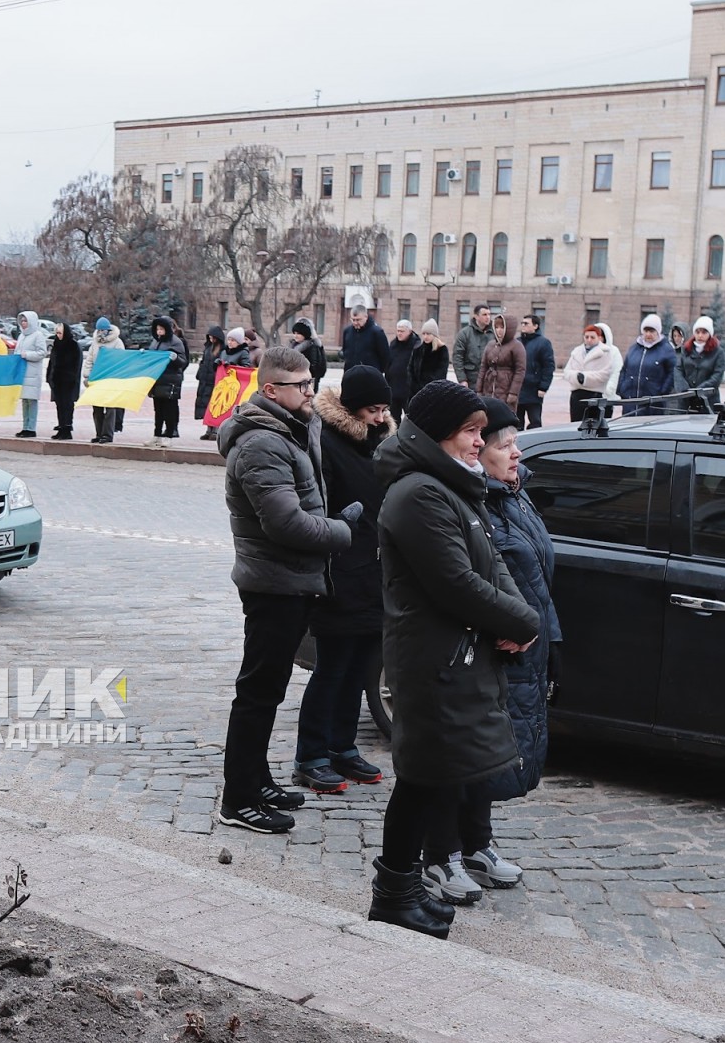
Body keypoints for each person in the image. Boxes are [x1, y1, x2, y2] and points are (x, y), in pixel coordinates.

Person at [371, 381, 541, 938]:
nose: (478, 442)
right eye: (471, 431)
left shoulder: (451, 486)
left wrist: (518, 619)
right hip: (432, 661)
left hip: (458, 656)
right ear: (440, 434)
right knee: (419, 778)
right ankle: (394, 894)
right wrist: (520, 622)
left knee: (436, 776)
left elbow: (492, 566)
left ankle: (404, 889)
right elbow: (456, 582)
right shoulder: (418, 493)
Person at [424, 398, 560, 906]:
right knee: (462, 754)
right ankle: (441, 853)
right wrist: (511, 626)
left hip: (521, 645)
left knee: (491, 751)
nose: (515, 452)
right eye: (504, 445)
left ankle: (475, 842)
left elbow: (537, 581)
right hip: (483, 648)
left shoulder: (513, 497)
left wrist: (549, 637)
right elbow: (468, 583)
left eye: (512, 442)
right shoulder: (465, 501)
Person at [217, 345, 357, 834]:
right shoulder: (262, 443)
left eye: (311, 381)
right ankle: (238, 800)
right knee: (257, 693)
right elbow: (286, 523)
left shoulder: (294, 427)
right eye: (301, 385)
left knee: (269, 689)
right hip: (273, 583)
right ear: (271, 390)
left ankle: (257, 780)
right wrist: (341, 531)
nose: (311, 391)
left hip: (292, 580)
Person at [293, 366, 391, 795]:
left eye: (385, 409)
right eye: (373, 409)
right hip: (338, 573)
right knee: (332, 668)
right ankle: (311, 755)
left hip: (375, 573)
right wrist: (340, 528)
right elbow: (315, 507)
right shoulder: (326, 442)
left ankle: (343, 747)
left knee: (359, 668)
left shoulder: (382, 445)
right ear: (352, 408)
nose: (380, 417)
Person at [616, 314, 677, 414]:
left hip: (653, 404)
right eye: (646, 331)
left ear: (658, 332)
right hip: (630, 402)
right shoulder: (634, 348)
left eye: (652, 331)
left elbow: (673, 372)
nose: (648, 334)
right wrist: (622, 388)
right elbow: (624, 369)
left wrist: (662, 392)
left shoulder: (666, 350)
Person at [562, 323, 618, 421]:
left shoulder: (606, 352)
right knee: (576, 424)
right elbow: (567, 372)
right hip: (577, 395)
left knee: (593, 424)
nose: (589, 339)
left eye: (592, 337)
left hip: (594, 395)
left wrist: (585, 378)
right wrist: (576, 377)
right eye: (586, 337)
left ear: (599, 338)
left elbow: (605, 374)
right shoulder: (577, 351)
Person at [83, 317, 125, 443]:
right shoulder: (95, 343)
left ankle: (107, 434)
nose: (101, 332)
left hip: (110, 379)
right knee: (97, 408)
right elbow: (89, 360)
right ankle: (99, 433)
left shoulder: (117, 342)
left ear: (108, 330)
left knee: (110, 408)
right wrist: (87, 375)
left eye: (103, 330)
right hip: (96, 379)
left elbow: (121, 360)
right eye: (99, 330)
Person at [147, 315, 188, 440]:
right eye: (157, 329)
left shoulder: (176, 342)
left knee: (169, 409)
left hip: (170, 381)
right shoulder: (155, 342)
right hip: (157, 380)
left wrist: (175, 358)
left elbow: (183, 361)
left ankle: (169, 435)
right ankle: (157, 435)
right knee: (158, 410)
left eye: (161, 329)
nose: (159, 332)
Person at [474, 312, 525, 406]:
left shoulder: (516, 346)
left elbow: (520, 370)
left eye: (502, 327)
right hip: (488, 387)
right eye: (496, 327)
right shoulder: (490, 345)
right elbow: (483, 367)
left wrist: (513, 392)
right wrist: (479, 389)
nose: (499, 330)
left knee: (505, 412)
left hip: (506, 389)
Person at [677, 315, 725, 410]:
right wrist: (684, 390)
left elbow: (717, 376)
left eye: (704, 332)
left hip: (708, 401)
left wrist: (698, 391)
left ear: (709, 334)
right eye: (697, 332)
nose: (700, 335)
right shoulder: (686, 349)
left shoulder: (718, 352)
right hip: (686, 400)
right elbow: (678, 369)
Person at [12, 311, 48, 438]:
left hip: (32, 374)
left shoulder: (38, 335)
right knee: (25, 401)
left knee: (31, 401)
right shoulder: (21, 336)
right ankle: (25, 426)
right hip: (22, 373)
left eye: (26, 321)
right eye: (22, 321)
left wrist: (27, 355)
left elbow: (42, 353)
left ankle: (31, 428)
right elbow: (17, 351)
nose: (23, 323)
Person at [517, 315, 555, 429]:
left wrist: (543, 387)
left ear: (535, 326)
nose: (523, 326)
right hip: (518, 388)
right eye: (522, 323)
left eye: (526, 323)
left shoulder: (543, 343)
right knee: (516, 422)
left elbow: (548, 366)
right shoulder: (517, 342)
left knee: (535, 421)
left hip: (534, 389)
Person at [46, 322, 82, 439]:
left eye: (60, 333)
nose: (58, 335)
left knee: (67, 405)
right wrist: (49, 376)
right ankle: (61, 427)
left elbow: (77, 364)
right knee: (59, 405)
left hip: (68, 381)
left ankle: (67, 428)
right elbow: (52, 362)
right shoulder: (56, 344)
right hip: (57, 380)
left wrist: (72, 378)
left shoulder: (73, 345)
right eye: (57, 333)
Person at [194, 327, 226, 441]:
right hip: (205, 381)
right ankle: (208, 430)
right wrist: (200, 374)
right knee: (207, 406)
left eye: (213, 338)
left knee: (216, 406)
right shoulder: (207, 348)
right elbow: (203, 362)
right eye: (210, 337)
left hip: (216, 382)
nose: (211, 340)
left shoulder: (222, 350)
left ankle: (215, 430)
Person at [385, 319, 419, 423]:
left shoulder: (417, 346)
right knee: (394, 420)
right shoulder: (393, 344)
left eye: (402, 331)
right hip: (394, 388)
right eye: (398, 331)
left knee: (411, 419)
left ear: (410, 331)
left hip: (409, 390)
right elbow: (388, 364)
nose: (399, 333)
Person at [341, 305, 389, 374]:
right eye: (353, 320)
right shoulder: (347, 331)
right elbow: (345, 350)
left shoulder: (377, 332)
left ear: (366, 317)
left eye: (358, 320)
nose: (355, 323)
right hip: (350, 374)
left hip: (371, 375)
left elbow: (385, 356)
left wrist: (377, 372)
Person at [451, 306, 492, 386]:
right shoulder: (465, 334)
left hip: (489, 382)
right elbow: (457, 357)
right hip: (471, 380)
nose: (488, 317)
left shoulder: (494, 334)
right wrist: (462, 379)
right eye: (484, 314)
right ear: (476, 316)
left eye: (489, 314)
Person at [287, 318, 328, 385]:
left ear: (305, 334)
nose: (295, 336)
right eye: (294, 333)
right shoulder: (292, 346)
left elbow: (314, 367)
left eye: (298, 333)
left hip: (308, 380)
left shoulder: (312, 347)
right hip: (294, 379)